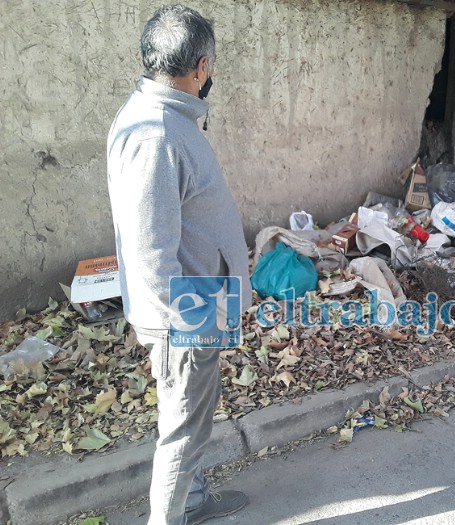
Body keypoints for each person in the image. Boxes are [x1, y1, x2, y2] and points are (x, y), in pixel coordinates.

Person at [107, 5, 252, 524]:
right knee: (183, 430)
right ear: (201, 67)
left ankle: (191, 500)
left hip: (195, 305)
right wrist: (195, 322)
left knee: (189, 417)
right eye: (209, 67)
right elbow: (151, 252)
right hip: (185, 316)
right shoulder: (157, 135)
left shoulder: (163, 116)